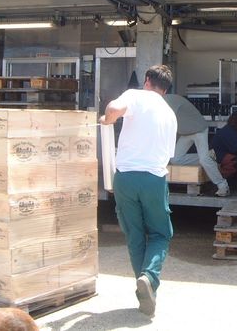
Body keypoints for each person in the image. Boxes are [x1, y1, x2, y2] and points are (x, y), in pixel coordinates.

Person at [98, 64, 177, 317]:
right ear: (166, 89)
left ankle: (144, 285)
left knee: (134, 234)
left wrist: (106, 120)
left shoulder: (135, 95)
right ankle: (149, 279)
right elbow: (168, 157)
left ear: (147, 81)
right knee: (160, 234)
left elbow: (112, 110)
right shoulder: (170, 114)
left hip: (125, 179)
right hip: (154, 179)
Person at [164, 94, 230, 197]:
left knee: (204, 160)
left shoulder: (168, 101)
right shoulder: (162, 101)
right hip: (186, 132)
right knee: (175, 159)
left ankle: (223, 186)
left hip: (199, 129)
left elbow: (167, 124)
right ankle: (209, 156)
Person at [212, 110, 237, 182]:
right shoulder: (230, 132)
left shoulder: (230, 130)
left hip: (219, 155)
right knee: (236, 161)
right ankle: (220, 180)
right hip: (218, 157)